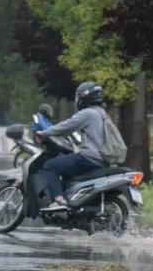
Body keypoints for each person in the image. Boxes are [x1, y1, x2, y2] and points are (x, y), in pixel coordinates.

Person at [36, 82, 107, 212]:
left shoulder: (88, 113)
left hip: (89, 158)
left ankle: (58, 200)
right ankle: (73, 203)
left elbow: (67, 126)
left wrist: (44, 132)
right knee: (67, 167)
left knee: (50, 166)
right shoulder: (102, 114)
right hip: (102, 159)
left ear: (83, 97)